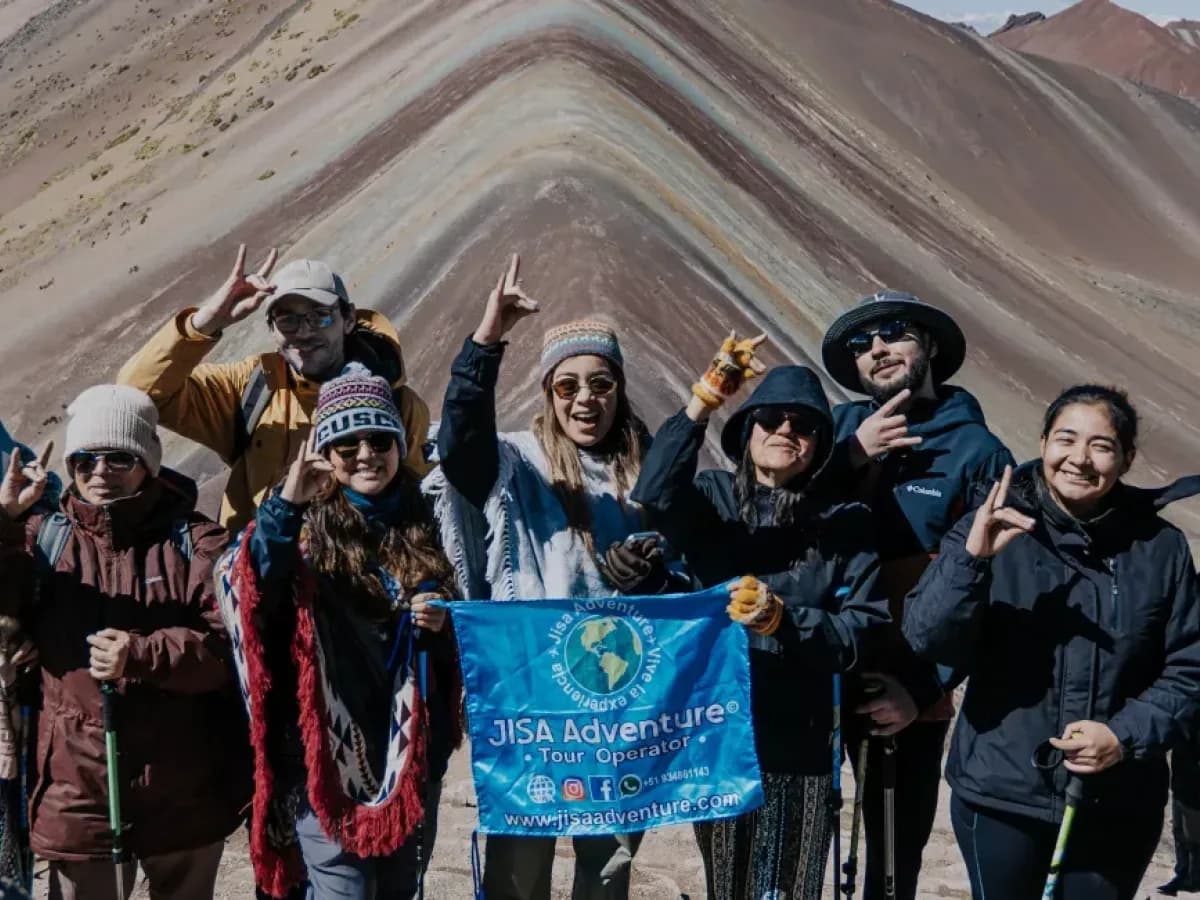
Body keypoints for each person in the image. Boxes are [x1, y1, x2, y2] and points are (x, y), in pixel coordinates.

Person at [428, 255, 667, 900]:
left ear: (619, 389)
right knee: (521, 855)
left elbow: (686, 563)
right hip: (532, 693)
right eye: (567, 386)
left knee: (609, 859)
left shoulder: (649, 472)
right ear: (549, 394)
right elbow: (459, 446)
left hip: (619, 698)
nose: (585, 399)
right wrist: (487, 342)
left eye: (600, 383)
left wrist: (652, 576)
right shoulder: (518, 464)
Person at [903, 385, 1200, 900]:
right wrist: (972, 561)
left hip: (1118, 802)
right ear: (1042, 443)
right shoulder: (990, 523)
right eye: (1066, 439)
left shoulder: (1160, 548)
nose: (1079, 458)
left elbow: (1189, 668)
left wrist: (1123, 736)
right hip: (1003, 795)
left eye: (1101, 446)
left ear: (1127, 458)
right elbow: (927, 637)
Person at [629, 335, 890, 900]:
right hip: (718, 735)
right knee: (728, 885)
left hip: (803, 741)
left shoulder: (846, 523)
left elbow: (860, 633)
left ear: (820, 446)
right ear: (747, 431)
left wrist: (784, 620)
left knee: (792, 890)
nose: (784, 430)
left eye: (803, 424)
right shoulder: (712, 499)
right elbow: (654, 493)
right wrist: (706, 396)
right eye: (769, 418)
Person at [216, 364, 461, 899]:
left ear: (399, 446)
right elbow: (256, 587)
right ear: (327, 453)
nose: (366, 455)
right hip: (324, 756)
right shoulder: (300, 528)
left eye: (379, 441)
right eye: (347, 445)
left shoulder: (431, 520)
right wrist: (286, 504)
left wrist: (443, 622)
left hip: (409, 754)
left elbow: (463, 633)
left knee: (399, 891)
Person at [0, 385, 249, 900]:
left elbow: (234, 648)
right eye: (84, 460)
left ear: (148, 462)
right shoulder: (42, 539)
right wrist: (3, 523)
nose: (100, 472)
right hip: (77, 789)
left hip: (184, 789)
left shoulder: (196, 542)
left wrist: (143, 654)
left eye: (118, 457)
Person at [820, 290, 1014, 900]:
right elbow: (778, 518)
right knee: (798, 842)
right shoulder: (831, 431)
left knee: (892, 861)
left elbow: (992, 591)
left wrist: (925, 688)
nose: (877, 348)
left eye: (895, 332)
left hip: (906, 690)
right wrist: (851, 457)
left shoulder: (977, 453)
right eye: (861, 342)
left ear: (929, 345)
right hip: (814, 674)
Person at [117, 245, 431, 532]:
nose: (304, 332)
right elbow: (136, 391)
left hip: (359, 568)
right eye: (287, 320)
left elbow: (416, 507)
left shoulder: (399, 404)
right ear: (271, 329)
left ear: (348, 319)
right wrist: (206, 322)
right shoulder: (251, 388)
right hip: (260, 566)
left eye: (320, 317)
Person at [1162, 731, 1200, 896]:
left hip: (1194, 789)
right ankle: (1182, 873)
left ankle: (1193, 878)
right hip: (1181, 783)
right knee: (1179, 832)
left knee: (1193, 837)